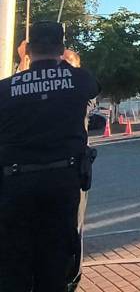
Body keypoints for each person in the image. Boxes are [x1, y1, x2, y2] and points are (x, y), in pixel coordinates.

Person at [0, 21, 100, 291]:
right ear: (62, 49)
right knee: (55, 262)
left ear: (28, 50)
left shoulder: (5, 88)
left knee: (14, 261)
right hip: (61, 183)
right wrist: (58, 66)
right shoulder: (80, 80)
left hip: (15, 185)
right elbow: (87, 86)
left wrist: (25, 64)